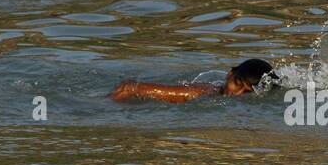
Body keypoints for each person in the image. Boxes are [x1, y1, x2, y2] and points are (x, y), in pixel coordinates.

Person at [110, 58, 279, 103]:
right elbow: (131, 88)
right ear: (229, 74)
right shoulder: (202, 92)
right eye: (238, 84)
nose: (237, 94)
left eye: (247, 92)